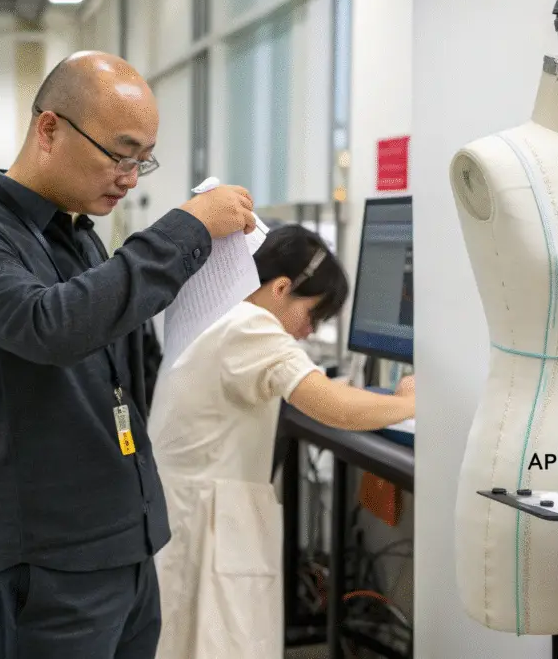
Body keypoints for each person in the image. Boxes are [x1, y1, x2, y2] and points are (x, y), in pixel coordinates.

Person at [0, 51, 257, 659]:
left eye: (142, 160)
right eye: (120, 154)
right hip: (51, 564)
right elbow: (53, 327)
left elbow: (122, 367)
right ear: (49, 129)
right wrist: (188, 229)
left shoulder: (80, 239)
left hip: (128, 545)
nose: (130, 177)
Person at [147, 224, 415, 659]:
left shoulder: (222, 310)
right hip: (205, 519)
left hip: (183, 508)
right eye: (312, 314)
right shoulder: (251, 327)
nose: (309, 330)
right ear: (282, 288)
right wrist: (408, 403)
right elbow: (335, 408)